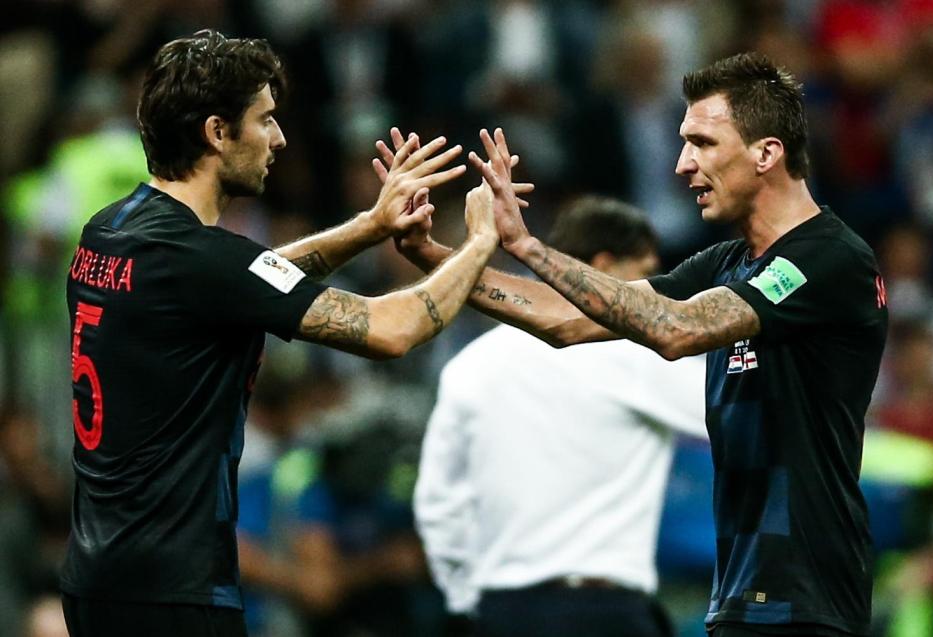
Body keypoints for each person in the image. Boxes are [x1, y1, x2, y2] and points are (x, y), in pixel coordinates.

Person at [394, 52, 889, 637]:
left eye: (702, 142)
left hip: (810, 594)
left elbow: (678, 328)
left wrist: (527, 247)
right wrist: (437, 257)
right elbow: (569, 321)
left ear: (766, 153)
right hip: (742, 589)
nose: (682, 164)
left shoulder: (831, 258)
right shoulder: (726, 262)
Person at [61, 29, 502, 637]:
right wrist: (481, 242)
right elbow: (391, 330)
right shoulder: (205, 260)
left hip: (96, 577)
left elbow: (244, 279)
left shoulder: (111, 229)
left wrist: (370, 226)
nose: (280, 139)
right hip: (175, 593)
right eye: (265, 120)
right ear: (217, 133)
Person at [414, 196, 707, 637]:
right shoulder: (632, 353)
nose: (653, 297)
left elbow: (439, 505)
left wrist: (466, 599)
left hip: (502, 613)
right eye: (646, 276)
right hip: (603, 613)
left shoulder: (469, 367)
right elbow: (732, 408)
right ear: (606, 265)